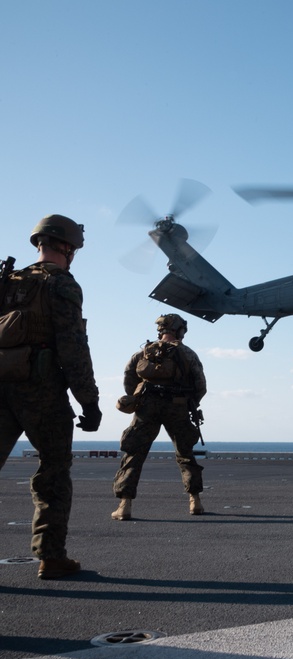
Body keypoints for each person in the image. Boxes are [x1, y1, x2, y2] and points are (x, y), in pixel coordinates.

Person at [0, 215, 101, 579]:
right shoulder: (61, 284)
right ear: (68, 247)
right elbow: (73, 347)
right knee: (54, 471)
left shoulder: (8, 281)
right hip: (40, 389)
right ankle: (51, 556)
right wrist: (89, 400)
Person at [111, 314, 207, 520]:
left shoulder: (143, 353)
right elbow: (200, 385)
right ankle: (195, 501)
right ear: (179, 329)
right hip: (177, 407)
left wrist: (141, 400)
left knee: (134, 454)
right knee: (185, 454)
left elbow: (129, 380)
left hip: (147, 407)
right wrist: (188, 402)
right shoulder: (187, 353)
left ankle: (124, 505)